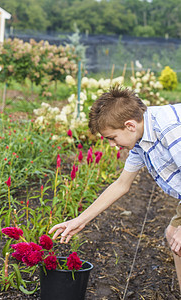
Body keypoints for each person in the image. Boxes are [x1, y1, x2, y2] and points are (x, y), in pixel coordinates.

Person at [49, 86, 181, 292]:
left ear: (129, 125)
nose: (112, 145)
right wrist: (79, 221)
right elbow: (121, 184)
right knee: (174, 234)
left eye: (112, 138)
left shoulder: (170, 128)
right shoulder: (139, 137)